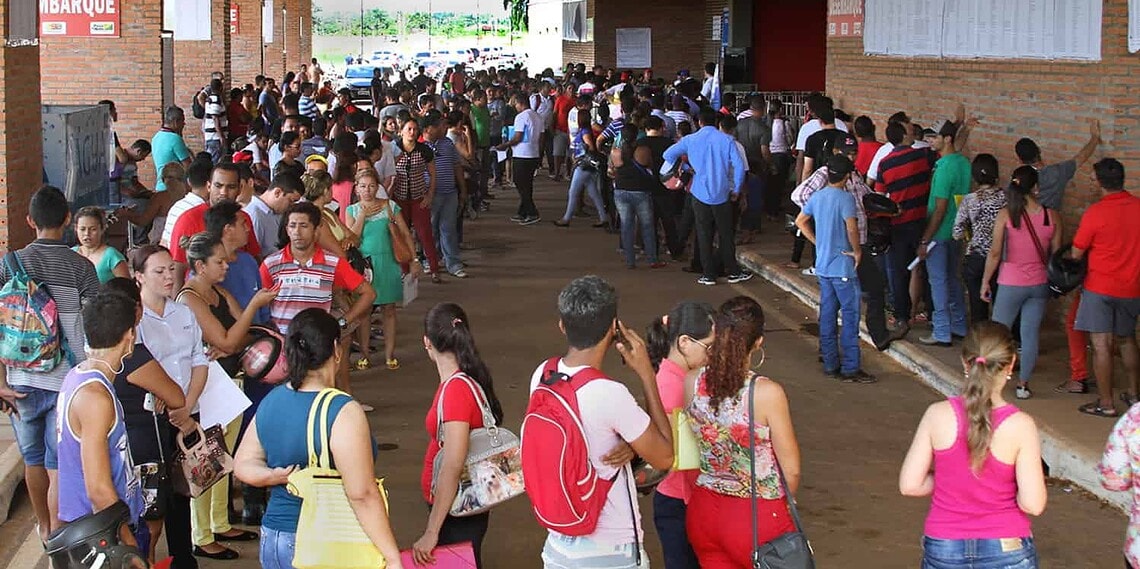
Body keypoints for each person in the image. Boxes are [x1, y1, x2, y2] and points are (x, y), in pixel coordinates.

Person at [234, 308, 404, 569]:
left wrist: (275, 476)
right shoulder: (342, 410)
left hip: (274, 538)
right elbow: (361, 494)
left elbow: (243, 464)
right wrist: (392, 556)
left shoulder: (272, 400)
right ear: (336, 349)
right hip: (320, 540)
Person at [532, 276, 674, 568]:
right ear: (613, 329)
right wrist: (647, 374)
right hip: (610, 551)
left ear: (562, 325)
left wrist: (631, 446)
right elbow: (664, 456)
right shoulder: (610, 393)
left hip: (558, 545)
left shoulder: (543, 375)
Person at [899, 321, 1047, 569]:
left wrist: (949, 479)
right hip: (1005, 545)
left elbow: (910, 485)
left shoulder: (937, 414)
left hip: (945, 544)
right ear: (1011, 364)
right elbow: (1033, 504)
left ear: (965, 363)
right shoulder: (1021, 425)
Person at [0, 186, 101, 545]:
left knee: (32, 459)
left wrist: (1, 381)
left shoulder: (10, 263)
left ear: (30, 221)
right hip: (67, 380)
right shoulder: (82, 266)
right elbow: (95, 325)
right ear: (68, 219)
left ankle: (43, 527)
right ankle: (59, 533)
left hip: (21, 379)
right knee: (59, 464)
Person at [685, 296, 801, 566]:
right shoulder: (766, 393)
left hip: (704, 510)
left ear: (716, 331)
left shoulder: (692, 381)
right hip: (756, 515)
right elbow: (791, 470)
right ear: (758, 342)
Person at [129, 244, 213, 565]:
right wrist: (171, 406)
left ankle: (183, 557)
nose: (168, 277)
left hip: (187, 411)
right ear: (139, 276)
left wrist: (187, 407)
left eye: (171, 270)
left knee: (183, 488)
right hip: (152, 416)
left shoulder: (183, 312)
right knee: (153, 494)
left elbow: (198, 360)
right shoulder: (136, 319)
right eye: (159, 271)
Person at [412, 303, 504, 568]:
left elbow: (453, 463)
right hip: (462, 502)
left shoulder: (456, 391)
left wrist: (432, 531)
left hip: (457, 506)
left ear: (427, 342)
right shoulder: (464, 381)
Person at [102, 277, 186, 563]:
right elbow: (176, 397)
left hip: (113, 451)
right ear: (136, 311)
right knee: (148, 530)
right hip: (143, 451)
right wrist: (157, 389)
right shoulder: (134, 356)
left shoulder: (95, 355)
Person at [54, 289, 146, 555]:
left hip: (92, 529)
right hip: (100, 535)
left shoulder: (77, 376)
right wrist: (132, 551)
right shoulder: (95, 398)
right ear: (129, 336)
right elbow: (98, 491)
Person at [260, 202, 376, 392]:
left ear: (316, 231)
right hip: (284, 350)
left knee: (318, 396)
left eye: (304, 225)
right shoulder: (271, 264)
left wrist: (342, 323)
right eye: (292, 225)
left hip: (318, 348)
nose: (297, 232)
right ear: (286, 230)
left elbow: (368, 293)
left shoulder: (333, 263)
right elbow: (259, 302)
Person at [980, 167, 1061, 401]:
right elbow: (1056, 256)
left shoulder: (1007, 214)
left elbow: (995, 253)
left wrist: (985, 281)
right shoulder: (1052, 216)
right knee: (1030, 334)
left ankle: (991, 382)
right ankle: (1023, 385)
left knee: (999, 334)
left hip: (1010, 282)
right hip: (1040, 282)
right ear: (1036, 187)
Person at [645, 301, 715, 569]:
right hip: (681, 500)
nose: (711, 355)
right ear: (684, 342)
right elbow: (685, 459)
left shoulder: (675, 376)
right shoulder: (674, 387)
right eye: (708, 347)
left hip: (677, 497)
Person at [795, 154, 875, 382]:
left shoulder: (818, 196)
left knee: (828, 315)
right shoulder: (846, 199)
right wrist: (857, 251)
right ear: (847, 176)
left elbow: (800, 221)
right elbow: (852, 228)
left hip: (823, 266)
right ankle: (850, 367)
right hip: (843, 267)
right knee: (850, 318)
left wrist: (818, 242)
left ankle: (830, 362)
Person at [1071, 158, 1140, 417]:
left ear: (1100, 182)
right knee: (1127, 339)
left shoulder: (1095, 212)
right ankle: (1134, 395)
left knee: (1101, 344)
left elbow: (1076, 253)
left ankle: (1106, 403)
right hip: (1132, 286)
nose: (1091, 182)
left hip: (1099, 287)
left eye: (1092, 178)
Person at [662, 108, 752, 286]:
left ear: (699, 122)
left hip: (699, 193)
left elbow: (668, 155)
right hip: (722, 193)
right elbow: (739, 167)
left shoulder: (690, 139)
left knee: (703, 234)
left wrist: (686, 168)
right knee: (726, 234)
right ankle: (733, 271)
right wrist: (736, 189)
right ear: (716, 122)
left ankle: (708, 274)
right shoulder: (727, 140)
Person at [345, 168, 416, 371]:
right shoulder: (351, 211)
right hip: (364, 266)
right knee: (364, 312)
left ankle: (389, 354)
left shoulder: (390, 206)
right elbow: (352, 241)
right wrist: (362, 215)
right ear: (356, 189)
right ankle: (365, 355)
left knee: (389, 310)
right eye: (363, 186)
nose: (367, 190)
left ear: (378, 187)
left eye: (371, 186)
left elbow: (405, 233)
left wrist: (414, 259)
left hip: (388, 263)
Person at [917, 121, 971, 347]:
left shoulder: (943, 169)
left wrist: (925, 239)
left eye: (934, 137)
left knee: (938, 282)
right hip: (957, 231)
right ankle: (959, 324)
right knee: (953, 279)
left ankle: (941, 331)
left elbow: (939, 208)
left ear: (947, 139)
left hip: (938, 234)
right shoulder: (963, 163)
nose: (930, 141)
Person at [953, 154, 1006, 325]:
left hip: (976, 257)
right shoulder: (1007, 198)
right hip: (1002, 258)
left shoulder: (969, 200)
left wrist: (971, 232)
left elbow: (957, 233)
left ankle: (980, 337)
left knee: (977, 308)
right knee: (1002, 309)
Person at [391, 117, 444, 283]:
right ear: (401, 131)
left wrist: (430, 194)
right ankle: (404, 269)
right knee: (401, 234)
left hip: (418, 198)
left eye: (414, 129)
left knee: (425, 233)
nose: (412, 132)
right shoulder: (394, 149)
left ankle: (434, 268)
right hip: (399, 199)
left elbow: (433, 174)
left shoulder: (424, 150)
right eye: (409, 129)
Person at [610, 124, 666, 269]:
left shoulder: (615, 152)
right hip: (641, 191)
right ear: (636, 135)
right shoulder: (643, 150)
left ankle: (630, 261)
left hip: (621, 191)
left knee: (626, 226)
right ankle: (652, 259)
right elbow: (650, 167)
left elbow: (611, 171)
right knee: (647, 226)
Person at [422, 111, 468, 279]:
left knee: (448, 229)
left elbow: (457, 166)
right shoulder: (420, 146)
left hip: (449, 193)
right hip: (430, 195)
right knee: (430, 230)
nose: (445, 128)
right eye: (441, 125)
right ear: (429, 128)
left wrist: (462, 189)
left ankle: (453, 263)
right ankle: (431, 260)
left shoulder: (447, 143)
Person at [554, 105, 607, 228]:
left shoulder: (585, 132)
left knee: (573, 192)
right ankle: (603, 217)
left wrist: (580, 156)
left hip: (583, 165)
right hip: (585, 165)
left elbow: (590, 148)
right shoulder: (585, 130)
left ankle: (566, 218)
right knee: (593, 193)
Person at [497, 92, 545, 225]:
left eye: (516, 104)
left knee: (519, 182)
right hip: (533, 153)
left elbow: (517, 137)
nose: (515, 107)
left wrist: (505, 145)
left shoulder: (521, 117)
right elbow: (542, 138)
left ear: (520, 103)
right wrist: (539, 153)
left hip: (522, 154)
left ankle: (532, 212)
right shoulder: (538, 116)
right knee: (527, 184)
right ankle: (522, 211)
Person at [244, 174, 304, 257]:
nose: (291, 206)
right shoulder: (255, 215)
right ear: (277, 192)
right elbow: (253, 254)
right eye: (291, 201)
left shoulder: (277, 212)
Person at [73, 206, 129, 283]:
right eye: (82, 229)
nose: (87, 233)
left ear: (102, 229)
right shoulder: (71, 253)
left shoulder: (112, 256)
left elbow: (127, 287)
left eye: (93, 229)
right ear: (76, 229)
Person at [152, 106, 193, 193]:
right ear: (175, 122)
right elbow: (188, 166)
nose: (184, 124)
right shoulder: (175, 139)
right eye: (182, 121)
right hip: (174, 188)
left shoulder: (156, 137)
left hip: (160, 186)